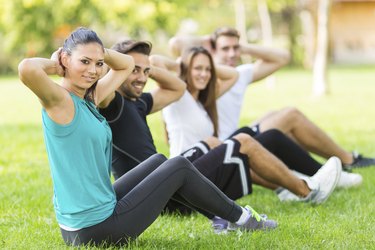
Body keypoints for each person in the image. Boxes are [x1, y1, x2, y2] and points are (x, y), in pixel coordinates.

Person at [18, 27, 278, 247]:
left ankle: (223, 218)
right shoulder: (59, 101)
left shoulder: (89, 98)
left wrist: (99, 52)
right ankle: (242, 219)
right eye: (84, 62)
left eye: (98, 64)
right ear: (66, 59)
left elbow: (127, 64)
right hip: (95, 228)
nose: (94, 71)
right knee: (179, 167)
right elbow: (27, 68)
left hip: (86, 218)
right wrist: (57, 63)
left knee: (158, 160)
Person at [98, 40, 340, 234]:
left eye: (145, 71)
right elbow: (171, 85)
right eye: (133, 71)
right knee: (242, 142)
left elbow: (177, 87)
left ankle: (284, 185)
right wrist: (118, 62)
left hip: (164, 180)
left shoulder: (138, 103)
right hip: (158, 196)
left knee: (214, 143)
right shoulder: (112, 103)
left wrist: (144, 69)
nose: (141, 77)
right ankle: (307, 191)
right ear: (119, 70)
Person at [168, 27, 375, 171]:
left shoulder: (240, 73)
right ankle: (345, 160)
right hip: (220, 143)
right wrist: (207, 42)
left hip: (233, 134)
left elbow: (282, 57)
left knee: (277, 117)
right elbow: (176, 44)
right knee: (290, 116)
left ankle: (321, 168)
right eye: (225, 48)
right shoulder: (204, 76)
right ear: (212, 49)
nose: (232, 53)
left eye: (235, 48)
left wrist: (244, 47)